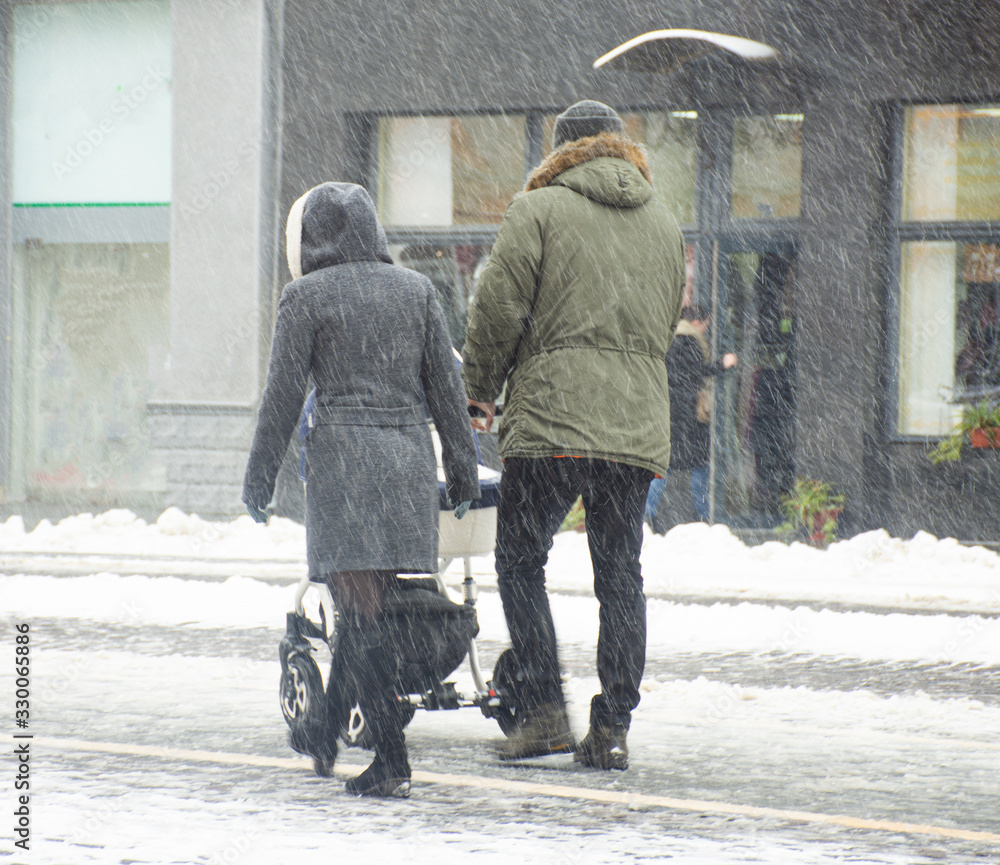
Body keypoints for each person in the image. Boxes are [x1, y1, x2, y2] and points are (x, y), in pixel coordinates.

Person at [462, 100, 685, 770]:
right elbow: (664, 321)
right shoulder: (664, 221)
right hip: (634, 423)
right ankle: (612, 726)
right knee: (621, 573)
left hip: (552, 420)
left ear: (560, 150)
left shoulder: (538, 210)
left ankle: (542, 712)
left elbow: (498, 308)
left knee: (520, 558)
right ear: (617, 148)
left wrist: (478, 388)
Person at [243, 182, 480, 797]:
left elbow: (282, 399)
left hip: (345, 467)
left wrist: (259, 477)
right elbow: (447, 395)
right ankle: (325, 731)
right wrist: (460, 472)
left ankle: (392, 761)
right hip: (404, 463)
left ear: (314, 237)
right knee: (365, 611)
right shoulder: (417, 290)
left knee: (361, 610)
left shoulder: (306, 297)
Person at [645, 305, 737, 530]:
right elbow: (694, 373)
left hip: (669, 413)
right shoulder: (689, 341)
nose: (705, 330)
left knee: (663, 465)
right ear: (698, 323)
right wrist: (721, 365)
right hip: (686, 415)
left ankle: (646, 515)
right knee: (700, 465)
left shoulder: (669, 338)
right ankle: (706, 515)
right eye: (705, 325)